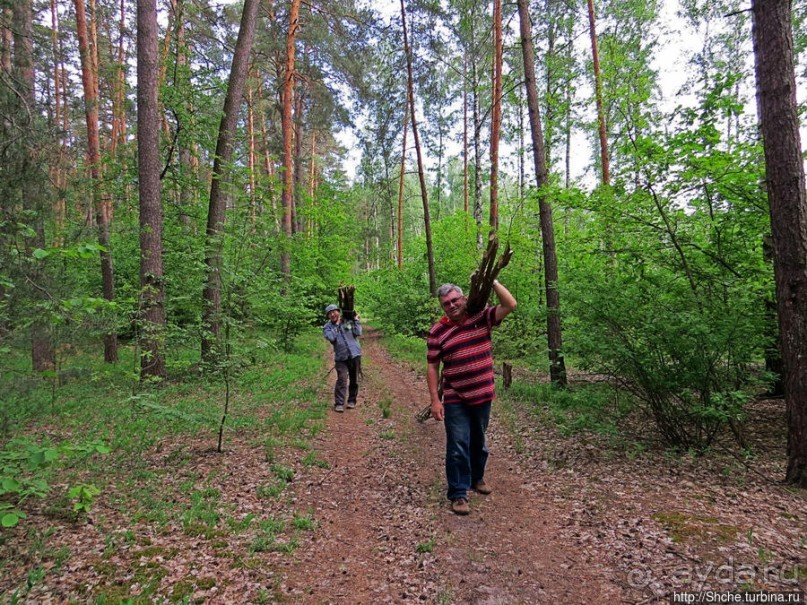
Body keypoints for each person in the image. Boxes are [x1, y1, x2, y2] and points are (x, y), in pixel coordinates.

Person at [426, 280, 517, 515]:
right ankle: (458, 493)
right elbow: (433, 367)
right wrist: (436, 401)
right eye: (446, 303)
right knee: (457, 444)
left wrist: (492, 281)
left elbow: (510, 304)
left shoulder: (481, 318)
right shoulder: (438, 331)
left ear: (464, 298)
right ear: (442, 307)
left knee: (479, 441)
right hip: (456, 395)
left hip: (483, 394)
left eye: (455, 300)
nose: (452, 305)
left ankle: (477, 478)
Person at [323, 303, 362, 413]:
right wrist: (337, 325)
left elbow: (358, 332)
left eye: (334, 311)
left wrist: (355, 320)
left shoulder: (347, 322)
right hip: (341, 358)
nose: (332, 314)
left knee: (354, 380)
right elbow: (331, 338)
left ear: (338, 312)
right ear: (328, 316)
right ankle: (339, 403)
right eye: (330, 313)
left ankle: (352, 401)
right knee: (342, 380)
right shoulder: (328, 327)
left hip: (355, 355)